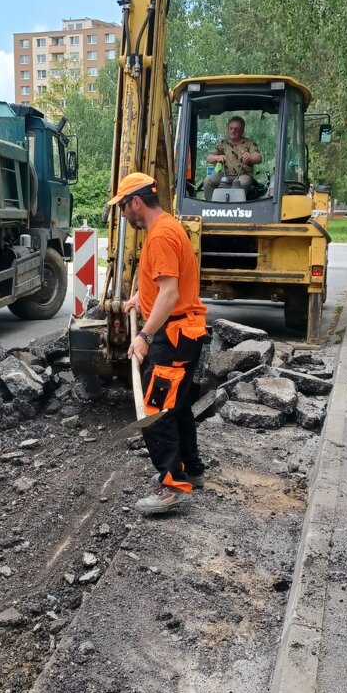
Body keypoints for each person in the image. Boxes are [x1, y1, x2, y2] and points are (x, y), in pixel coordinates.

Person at [109, 172, 208, 515]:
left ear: (136, 202)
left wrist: (143, 336)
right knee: (175, 405)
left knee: (154, 409)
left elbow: (170, 293)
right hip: (183, 331)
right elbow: (162, 283)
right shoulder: (165, 227)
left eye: (123, 207)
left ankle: (172, 484)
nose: (123, 215)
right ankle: (192, 470)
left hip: (174, 335)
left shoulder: (161, 235)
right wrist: (140, 296)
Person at [203, 115, 262, 201]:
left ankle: (236, 209)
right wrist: (217, 157)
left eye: (236, 129)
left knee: (242, 183)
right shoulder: (222, 143)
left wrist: (250, 158)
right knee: (208, 181)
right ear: (228, 129)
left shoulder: (249, 143)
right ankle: (212, 207)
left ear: (242, 130)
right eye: (231, 128)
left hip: (243, 175)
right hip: (224, 175)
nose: (233, 131)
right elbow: (209, 158)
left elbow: (259, 158)